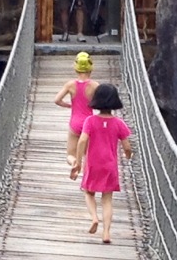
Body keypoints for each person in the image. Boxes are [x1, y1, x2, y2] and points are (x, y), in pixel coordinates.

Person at [78, 82, 133, 244]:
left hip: (93, 163)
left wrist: (78, 160)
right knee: (107, 199)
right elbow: (127, 146)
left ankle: (94, 218)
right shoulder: (118, 123)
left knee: (88, 192)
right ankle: (106, 233)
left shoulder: (90, 121)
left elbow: (82, 141)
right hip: (110, 165)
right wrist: (128, 155)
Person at [52, 50, 96, 179]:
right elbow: (102, 102)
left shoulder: (70, 85)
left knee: (70, 154)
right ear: (90, 68)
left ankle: (74, 163)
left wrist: (70, 105)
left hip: (75, 122)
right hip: (90, 123)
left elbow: (57, 100)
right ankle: (88, 177)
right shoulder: (95, 86)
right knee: (89, 154)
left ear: (76, 68)